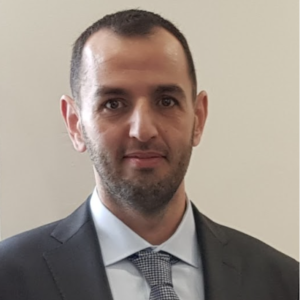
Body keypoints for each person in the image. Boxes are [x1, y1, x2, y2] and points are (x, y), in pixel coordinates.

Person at [0, 9, 299, 300]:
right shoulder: (9, 279)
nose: (143, 131)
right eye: (113, 104)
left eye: (166, 101)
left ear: (198, 118)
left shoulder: (283, 282)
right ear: (75, 124)